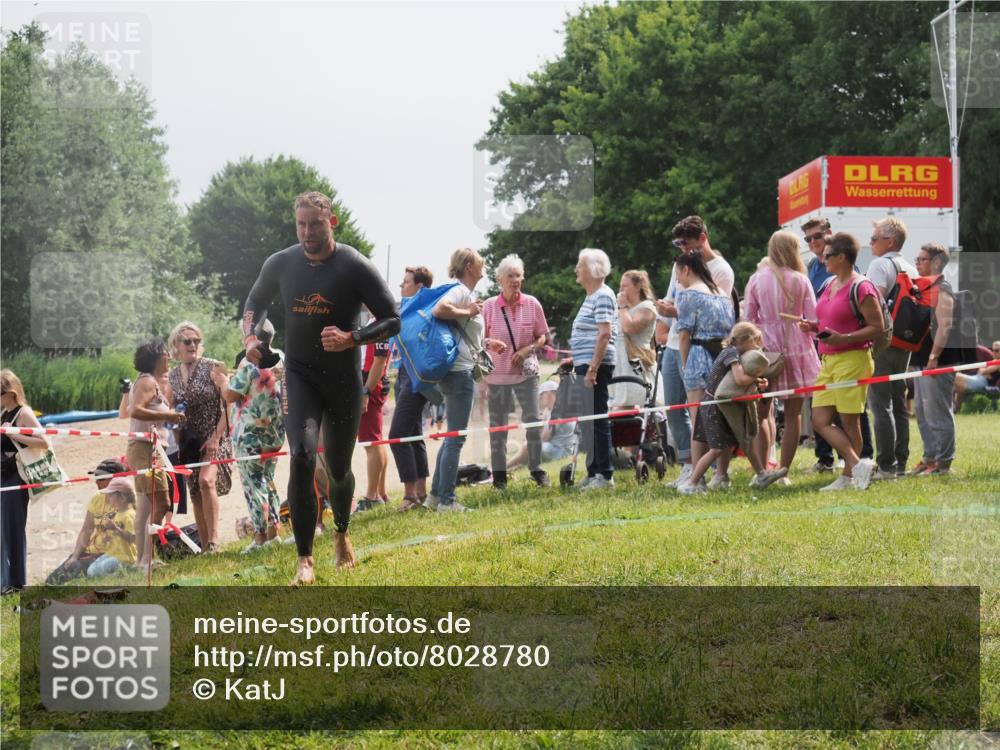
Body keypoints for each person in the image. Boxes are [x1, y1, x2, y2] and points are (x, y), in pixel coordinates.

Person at [243, 191, 399, 584]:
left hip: (343, 379)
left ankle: (343, 532)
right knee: (301, 456)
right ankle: (305, 560)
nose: (308, 232)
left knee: (340, 468)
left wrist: (353, 337)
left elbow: (392, 319)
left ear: (332, 222)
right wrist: (249, 339)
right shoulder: (281, 263)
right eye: (301, 224)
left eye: (315, 223)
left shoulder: (354, 265)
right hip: (299, 375)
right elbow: (255, 302)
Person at [656, 216, 736, 488]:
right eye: (678, 244)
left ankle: (707, 473)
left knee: (701, 414)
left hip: (695, 348)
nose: (682, 250)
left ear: (702, 237)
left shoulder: (721, 270)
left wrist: (676, 312)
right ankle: (689, 466)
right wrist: (663, 323)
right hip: (673, 344)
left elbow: (715, 314)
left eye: (686, 244)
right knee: (677, 410)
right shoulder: (682, 266)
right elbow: (671, 299)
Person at [798, 233, 881, 491]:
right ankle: (858, 465)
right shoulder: (829, 284)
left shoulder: (862, 287)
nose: (822, 259)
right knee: (819, 420)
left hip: (853, 358)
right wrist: (814, 326)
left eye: (828, 255)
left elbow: (877, 327)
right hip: (829, 359)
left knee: (849, 420)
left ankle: (849, 475)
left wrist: (843, 337)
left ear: (842, 257)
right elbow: (828, 319)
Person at [424, 248, 506, 511]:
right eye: (480, 262)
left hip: (456, 369)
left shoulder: (461, 292)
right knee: (456, 437)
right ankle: (447, 501)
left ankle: (436, 496)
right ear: (469, 265)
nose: (484, 267)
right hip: (459, 373)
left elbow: (460, 329)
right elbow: (440, 310)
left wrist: (486, 342)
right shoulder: (459, 290)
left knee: (451, 436)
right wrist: (468, 311)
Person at [743, 230, 821, 478]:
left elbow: (748, 320)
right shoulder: (800, 280)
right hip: (796, 346)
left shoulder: (757, 279)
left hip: (766, 350)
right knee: (793, 413)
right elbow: (814, 318)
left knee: (762, 411)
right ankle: (784, 472)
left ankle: (763, 470)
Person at [678, 323, 788, 494]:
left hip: (719, 405)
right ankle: (691, 483)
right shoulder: (731, 353)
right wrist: (756, 376)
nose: (758, 345)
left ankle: (762, 474)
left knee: (746, 439)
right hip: (713, 407)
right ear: (749, 339)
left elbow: (737, 379)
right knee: (716, 449)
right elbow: (739, 379)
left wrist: (758, 382)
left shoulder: (734, 353)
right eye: (757, 340)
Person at [216, 319, 285, 553]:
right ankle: (275, 532)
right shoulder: (280, 358)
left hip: (250, 436)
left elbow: (231, 395)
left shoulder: (249, 362)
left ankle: (260, 538)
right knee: (269, 482)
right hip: (274, 433)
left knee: (253, 486)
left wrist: (222, 379)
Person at [482, 253, 550, 489]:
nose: (515, 280)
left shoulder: (532, 304)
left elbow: (542, 336)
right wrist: (490, 343)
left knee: (533, 420)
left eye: (518, 275)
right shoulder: (489, 306)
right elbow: (478, 341)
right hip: (497, 376)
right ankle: (499, 478)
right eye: (510, 275)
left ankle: (536, 469)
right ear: (500, 279)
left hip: (526, 375)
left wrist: (527, 349)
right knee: (498, 426)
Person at [673, 252, 736, 487]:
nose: (677, 278)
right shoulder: (721, 294)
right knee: (722, 416)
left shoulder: (689, 295)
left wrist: (685, 362)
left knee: (698, 420)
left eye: (677, 272)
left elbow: (684, 334)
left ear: (686, 269)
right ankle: (721, 474)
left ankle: (696, 479)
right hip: (721, 358)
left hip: (699, 357)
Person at [168, 321, 231, 554]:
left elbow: (228, 405)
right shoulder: (173, 376)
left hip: (215, 435)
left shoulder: (213, 366)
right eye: (187, 341)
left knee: (206, 481)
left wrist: (215, 438)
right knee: (194, 491)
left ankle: (214, 542)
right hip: (189, 441)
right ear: (176, 345)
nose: (192, 344)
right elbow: (170, 410)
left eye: (196, 340)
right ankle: (205, 548)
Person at [866, 216, 918, 479]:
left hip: (883, 342)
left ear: (890, 241)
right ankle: (901, 462)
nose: (870, 243)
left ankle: (886, 465)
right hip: (906, 343)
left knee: (880, 404)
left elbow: (872, 304)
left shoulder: (879, 264)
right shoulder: (911, 267)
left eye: (874, 238)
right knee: (899, 403)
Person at [562, 248, 618, 491]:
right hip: (586, 364)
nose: (576, 269)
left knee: (596, 419)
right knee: (588, 420)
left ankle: (604, 475)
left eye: (580, 265)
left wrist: (593, 368)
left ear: (594, 270)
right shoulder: (592, 296)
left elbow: (604, 334)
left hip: (597, 366)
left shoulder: (603, 295)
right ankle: (593, 471)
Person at [128, 339, 186, 567]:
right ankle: (146, 560)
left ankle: (143, 559)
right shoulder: (147, 382)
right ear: (154, 358)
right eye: (165, 353)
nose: (169, 357)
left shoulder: (149, 382)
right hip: (144, 449)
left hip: (149, 449)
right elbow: (135, 410)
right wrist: (170, 416)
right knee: (162, 503)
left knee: (148, 506)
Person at [388, 266, 434, 511]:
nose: (401, 286)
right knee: (413, 433)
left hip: (417, 375)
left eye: (406, 282)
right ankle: (419, 492)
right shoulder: (404, 309)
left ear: (420, 287)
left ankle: (409, 495)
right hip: (403, 373)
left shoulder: (425, 311)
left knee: (396, 436)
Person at [910, 243, 958, 476]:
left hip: (938, 361)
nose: (917, 262)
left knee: (937, 411)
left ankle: (943, 463)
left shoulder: (943, 289)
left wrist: (933, 356)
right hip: (922, 359)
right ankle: (930, 458)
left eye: (922, 259)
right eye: (917, 259)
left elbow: (945, 325)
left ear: (936, 262)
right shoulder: (924, 287)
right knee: (921, 410)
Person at [1, 370, 49, 594]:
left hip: (15, 476)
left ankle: (16, 583)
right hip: (3, 476)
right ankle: (5, 581)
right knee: (3, 530)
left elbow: (43, 442)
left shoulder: (23, 413)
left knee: (13, 529)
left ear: (10, 393)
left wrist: (14, 434)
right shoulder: (4, 412)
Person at [46, 459, 128, 584]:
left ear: (115, 479)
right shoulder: (97, 498)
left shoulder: (129, 500)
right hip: (92, 551)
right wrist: (75, 556)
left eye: (101, 478)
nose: (96, 482)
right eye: (96, 477)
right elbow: (86, 530)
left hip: (111, 553)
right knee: (52, 581)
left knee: (81, 575)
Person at [355, 309, 391, 512]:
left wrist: (366, 390)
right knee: (376, 441)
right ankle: (380, 492)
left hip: (370, 381)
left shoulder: (379, 322)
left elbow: (380, 360)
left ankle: (372, 497)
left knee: (371, 442)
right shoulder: (375, 321)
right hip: (371, 381)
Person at [611, 270, 657, 409]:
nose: (621, 290)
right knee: (621, 406)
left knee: (636, 404)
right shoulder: (620, 309)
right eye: (620, 286)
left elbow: (630, 328)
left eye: (625, 286)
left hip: (636, 364)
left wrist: (623, 307)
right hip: (620, 363)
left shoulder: (647, 307)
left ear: (637, 287)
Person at [508, 380, 578, 469]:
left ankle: (505, 466)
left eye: (541, 395)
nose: (539, 399)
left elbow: (545, 437)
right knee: (530, 445)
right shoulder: (556, 409)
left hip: (561, 451)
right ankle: (515, 465)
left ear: (549, 394)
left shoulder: (557, 412)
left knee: (529, 445)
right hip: (562, 448)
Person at [954, 341, 1000, 410]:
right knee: (957, 386)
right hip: (978, 378)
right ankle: (956, 409)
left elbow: (983, 371)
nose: (994, 352)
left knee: (955, 376)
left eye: (996, 350)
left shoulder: (998, 362)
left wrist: (985, 371)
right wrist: (985, 371)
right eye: (993, 350)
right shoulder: (994, 361)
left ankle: (954, 408)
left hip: (984, 383)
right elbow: (980, 370)